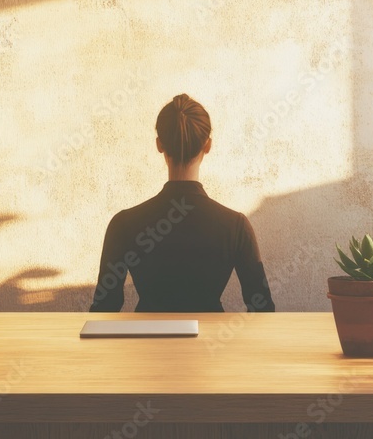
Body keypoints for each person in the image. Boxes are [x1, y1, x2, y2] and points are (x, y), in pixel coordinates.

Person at [89, 94, 275, 313]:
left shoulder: (123, 224)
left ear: (159, 145)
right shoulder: (235, 225)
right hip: (212, 345)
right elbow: (262, 310)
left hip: (145, 346)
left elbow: (104, 310)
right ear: (208, 145)